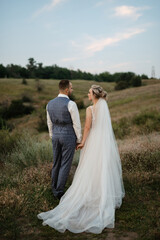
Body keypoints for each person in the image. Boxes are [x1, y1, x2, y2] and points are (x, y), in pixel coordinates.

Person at [38, 85, 125, 234]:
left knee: (89, 167)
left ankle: (74, 192)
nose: (88, 94)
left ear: (94, 95)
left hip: (91, 141)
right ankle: (102, 194)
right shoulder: (104, 108)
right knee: (102, 167)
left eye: (89, 92)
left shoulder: (90, 109)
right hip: (103, 142)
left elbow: (87, 127)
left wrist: (82, 141)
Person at [46, 79, 81, 199]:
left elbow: (49, 123)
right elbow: (76, 124)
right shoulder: (71, 104)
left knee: (56, 162)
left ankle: (53, 187)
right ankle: (59, 191)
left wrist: (52, 135)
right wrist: (79, 139)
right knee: (65, 163)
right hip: (68, 136)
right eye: (71, 88)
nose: (72, 90)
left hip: (55, 136)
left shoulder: (49, 103)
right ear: (66, 90)